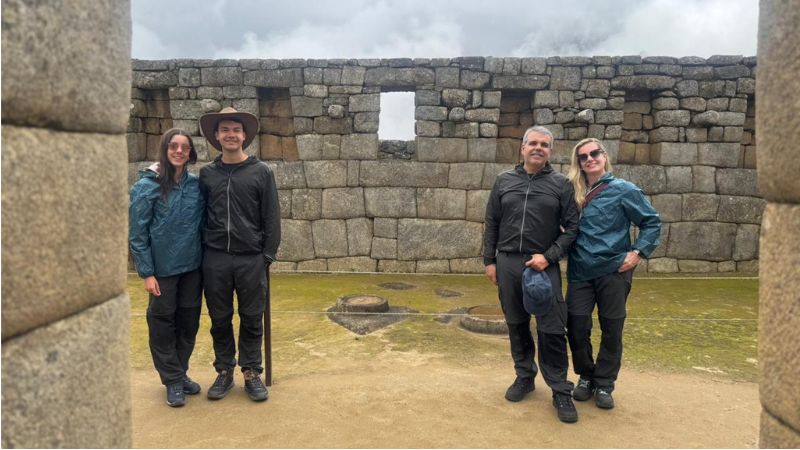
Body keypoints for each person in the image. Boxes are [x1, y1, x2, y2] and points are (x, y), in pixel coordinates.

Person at [483, 125, 580, 423]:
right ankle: (524, 375)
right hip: (509, 261)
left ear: (551, 151)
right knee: (516, 323)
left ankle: (560, 389)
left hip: (543, 264)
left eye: (545, 145)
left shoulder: (561, 184)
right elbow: (492, 222)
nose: (538, 148)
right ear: (522, 147)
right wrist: (490, 261)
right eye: (533, 143)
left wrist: (548, 256)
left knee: (551, 327)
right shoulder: (503, 181)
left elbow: (573, 228)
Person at [565, 138, 661, 410]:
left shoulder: (624, 190)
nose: (590, 159)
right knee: (576, 325)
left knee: (611, 328)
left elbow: (651, 222)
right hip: (580, 271)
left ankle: (605, 383)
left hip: (613, 271)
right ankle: (586, 375)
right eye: (583, 156)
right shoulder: (572, 191)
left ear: (604, 156)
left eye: (595, 153)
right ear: (579, 163)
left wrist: (638, 252)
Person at [198, 107, 281, 402]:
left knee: (251, 317)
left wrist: (266, 256)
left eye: (236, 129)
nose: (230, 135)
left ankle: (251, 371)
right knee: (220, 318)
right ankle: (224, 371)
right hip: (216, 257)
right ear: (217, 136)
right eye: (225, 130)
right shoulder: (207, 174)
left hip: (251, 258)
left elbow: (271, 217)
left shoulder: (261, 172)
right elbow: (200, 216)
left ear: (244, 136)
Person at [129, 128, 205, 407]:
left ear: (190, 153)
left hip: (192, 269)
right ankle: (171, 380)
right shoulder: (146, 187)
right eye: (173, 146)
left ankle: (179, 371)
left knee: (188, 323)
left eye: (185, 147)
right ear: (165, 149)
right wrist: (147, 272)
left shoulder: (196, 186)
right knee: (162, 325)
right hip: (162, 271)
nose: (179, 151)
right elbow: (137, 234)